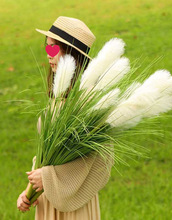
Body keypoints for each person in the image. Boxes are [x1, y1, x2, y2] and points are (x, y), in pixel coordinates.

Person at [17, 16, 114, 220]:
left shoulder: (90, 102)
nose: (48, 55)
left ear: (73, 55)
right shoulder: (59, 97)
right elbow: (46, 154)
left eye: (54, 49)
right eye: (47, 48)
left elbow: (99, 160)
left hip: (74, 207)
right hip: (47, 201)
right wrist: (29, 191)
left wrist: (48, 178)